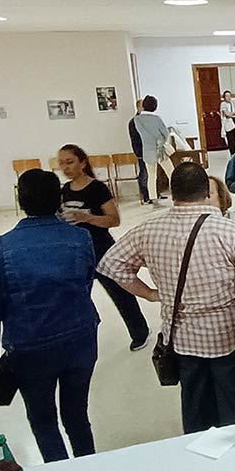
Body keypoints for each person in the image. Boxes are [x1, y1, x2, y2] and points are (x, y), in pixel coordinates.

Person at [98, 163, 235, 434]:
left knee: (196, 411)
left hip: (182, 340)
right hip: (231, 337)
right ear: (206, 192)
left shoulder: (149, 229)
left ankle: (200, 468)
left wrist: (151, 294)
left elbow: (111, 264)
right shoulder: (229, 232)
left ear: (173, 192)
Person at [0, 169, 99, 463]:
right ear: (59, 200)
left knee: (43, 419)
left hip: (30, 348)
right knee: (77, 413)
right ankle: (90, 467)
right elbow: (85, 283)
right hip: (80, 337)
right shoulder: (80, 238)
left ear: (20, 199)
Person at [57, 144, 150, 351]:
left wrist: (88, 218)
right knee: (77, 295)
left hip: (101, 249)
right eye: (61, 163)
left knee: (120, 292)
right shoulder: (63, 191)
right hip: (76, 252)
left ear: (82, 162)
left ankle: (139, 331)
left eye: (70, 162)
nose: (65, 168)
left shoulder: (97, 188)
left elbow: (114, 219)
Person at [134, 95, 169, 202]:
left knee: (151, 176)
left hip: (147, 151)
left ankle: (153, 198)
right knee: (171, 172)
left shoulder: (137, 120)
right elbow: (165, 133)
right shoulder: (156, 119)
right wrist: (160, 141)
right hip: (160, 150)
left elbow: (142, 134)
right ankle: (177, 195)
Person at [128, 99, 151, 203]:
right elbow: (135, 139)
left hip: (150, 149)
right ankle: (146, 196)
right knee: (144, 173)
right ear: (139, 107)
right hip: (141, 151)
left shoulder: (147, 119)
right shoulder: (134, 121)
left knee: (152, 172)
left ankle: (154, 193)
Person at [220, 91, 235, 155]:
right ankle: (232, 153)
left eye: (229, 96)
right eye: (226, 96)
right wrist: (232, 114)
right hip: (228, 122)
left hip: (234, 120)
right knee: (230, 138)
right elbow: (227, 114)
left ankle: (234, 150)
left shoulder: (233, 103)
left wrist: (233, 114)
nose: (228, 97)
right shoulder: (223, 104)